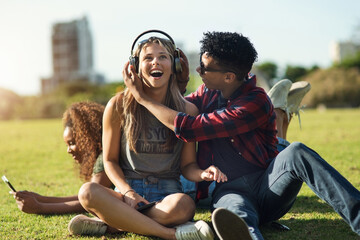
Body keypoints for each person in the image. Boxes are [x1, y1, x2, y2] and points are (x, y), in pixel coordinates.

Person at [124, 31, 360, 240]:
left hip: (268, 185)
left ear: (228, 77)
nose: (199, 70)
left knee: (296, 151)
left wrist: (142, 98)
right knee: (232, 216)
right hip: (229, 190)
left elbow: (189, 127)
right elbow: (175, 108)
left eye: (205, 68)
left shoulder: (255, 101)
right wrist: (180, 82)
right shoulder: (207, 92)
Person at [73, 33, 222, 240]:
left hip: (168, 195)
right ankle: (170, 234)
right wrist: (127, 192)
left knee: (185, 206)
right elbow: (109, 160)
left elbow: (188, 166)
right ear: (134, 66)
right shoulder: (117, 105)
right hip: (127, 193)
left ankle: (115, 224)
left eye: (163, 57)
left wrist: (202, 173)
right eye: (148, 58)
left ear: (174, 65)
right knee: (87, 192)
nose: (156, 62)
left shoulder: (188, 110)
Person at [10, 102, 112, 214]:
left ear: (88, 138)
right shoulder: (102, 155)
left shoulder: (105, 158)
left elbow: (90, 201)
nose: (68, 150)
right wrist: (41, 198)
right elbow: (84, 197)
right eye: (67, 145)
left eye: (72, 143)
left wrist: (39, 207)